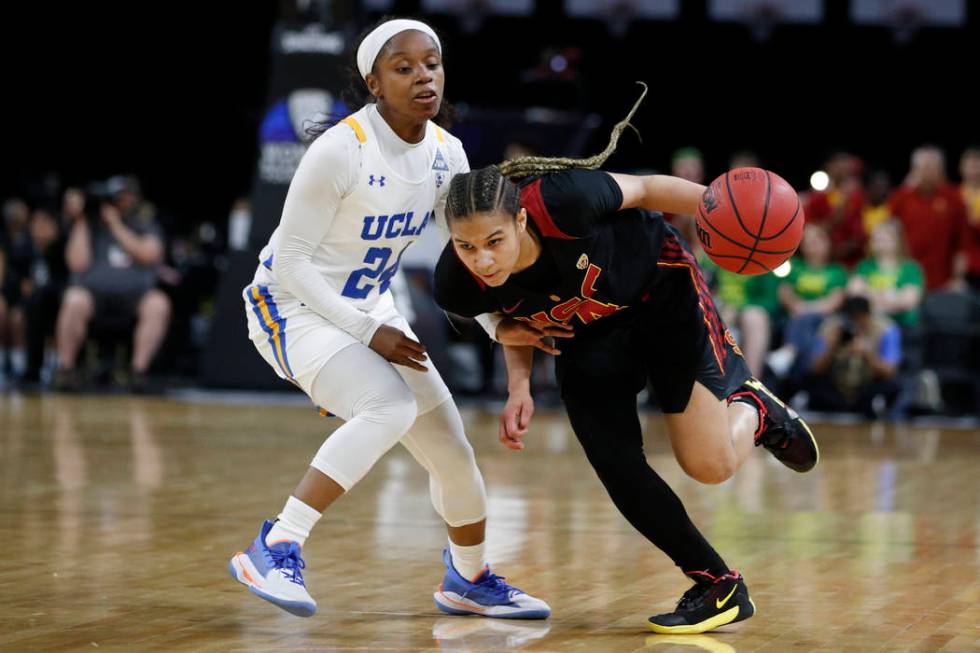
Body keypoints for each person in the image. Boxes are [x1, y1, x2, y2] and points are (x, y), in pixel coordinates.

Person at [432, 89, 819, 634]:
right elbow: (509, 318)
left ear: (521, 220)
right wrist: (518, 384)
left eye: (494, 240)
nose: (483, 259)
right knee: (616, 465)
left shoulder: (563, 199)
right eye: (466, 247)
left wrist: (724, 209)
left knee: (709, 466)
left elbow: (645, 189)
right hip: (591, 335)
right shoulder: (459, 283)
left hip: (661, 294)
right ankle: (717, 584)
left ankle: (754, 408)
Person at [228, 18, 549, 620]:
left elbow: (468, 256)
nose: (423, 75)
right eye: (404, 68)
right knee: (390, 406)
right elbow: (290, 264)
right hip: (292, 305)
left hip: (369, 305)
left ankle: (469, 578)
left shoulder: (446, 154)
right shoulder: (338, 151)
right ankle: (275, 543)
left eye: (431, 63)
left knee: (452, 450)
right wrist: (367, 330)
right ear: (374, 82)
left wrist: (494, 331)